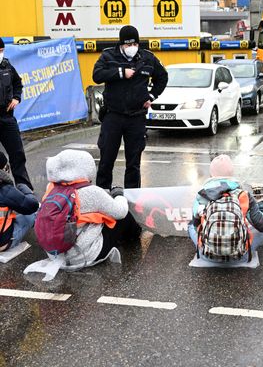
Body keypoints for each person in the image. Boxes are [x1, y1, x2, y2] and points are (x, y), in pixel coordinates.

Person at [92, 25, 168, 190]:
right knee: (106, 159)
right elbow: (97, 75)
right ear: (121, 44)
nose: (132, 48)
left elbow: (162, 77)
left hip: (136, 117)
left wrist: (152, 96)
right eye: (128, 45)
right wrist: (120, 72)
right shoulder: (108, 56)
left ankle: (132, 198)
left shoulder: (148, 58)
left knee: (134, 162)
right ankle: (102, 194)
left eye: (134, 44)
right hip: (113, 115)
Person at [38, 149, 142, 269]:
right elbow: (120, 212)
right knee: (124, 217)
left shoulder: (51, 188)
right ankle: (136, 236)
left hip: (55, 254)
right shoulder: (92, 192)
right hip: (85, 256)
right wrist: (119, 195)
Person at [188, 154, 263, 264]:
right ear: (232, 174)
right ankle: (241, 249)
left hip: (207, 256)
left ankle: (208, 250)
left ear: (211, 174)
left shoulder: (202, 195)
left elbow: (195, 226)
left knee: (190, 225)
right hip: (240, 257)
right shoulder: (243, 195)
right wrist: (261, 203)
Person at [0, 38, 33, 190]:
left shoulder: (7, 66)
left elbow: (17, 83)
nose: (1, 54)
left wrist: (16, 98)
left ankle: (24, 187)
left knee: (18, 153)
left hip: (7, 117)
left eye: (1, 51)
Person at [0, 151, 39, 252]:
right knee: (33, 213)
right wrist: (25, 189)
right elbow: (32, 206)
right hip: (3, 243)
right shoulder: (5, 189)